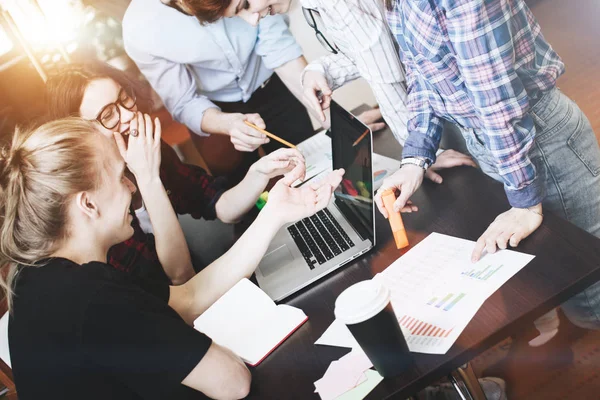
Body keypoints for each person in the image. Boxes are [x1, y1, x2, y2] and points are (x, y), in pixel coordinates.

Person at [1, 116, 344, 399]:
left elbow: (188, 298)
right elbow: (232, 383)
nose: (132, 188)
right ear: (87, 204)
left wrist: (274, 213)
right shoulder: (93, 300)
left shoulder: (40, 275)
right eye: (121, 176)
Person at [371, 0, 600, 333]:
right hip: (496, 141)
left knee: (589, 291)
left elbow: (497, 101)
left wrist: (523, 198)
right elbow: (422, 76)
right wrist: (414, 158)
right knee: (561, 268)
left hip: (539, 137)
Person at [46, 62, 306, 285]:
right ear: (80, 134)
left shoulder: (152, 149)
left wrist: (259, 172)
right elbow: (179, 277)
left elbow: (216, 204)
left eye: (124, 98)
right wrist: (148, 177)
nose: (128, 115)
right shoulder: (93, 204)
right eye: (108, 115)